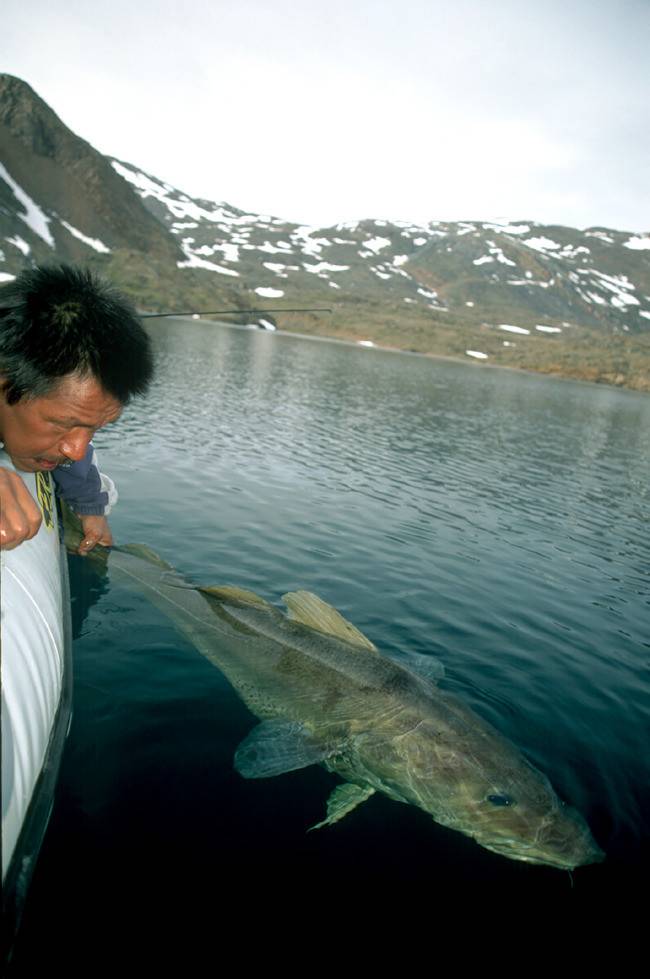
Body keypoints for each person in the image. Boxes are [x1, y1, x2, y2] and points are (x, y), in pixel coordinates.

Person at [0, 264, 153, 554]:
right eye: (61, 424)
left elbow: (78, 460)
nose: (77, 450)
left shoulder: (69, 437)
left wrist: (88, 506)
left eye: (94, 428)